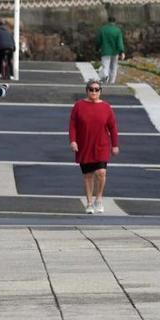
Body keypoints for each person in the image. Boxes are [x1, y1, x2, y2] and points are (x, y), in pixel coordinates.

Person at [68, 79, 119, 214]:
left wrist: (115, 145)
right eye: (91, 89)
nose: (94, 92)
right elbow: (72, 125)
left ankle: (99, 199)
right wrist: (73, 141)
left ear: (100, 91)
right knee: (88, 175)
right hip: (84, 145)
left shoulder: (106, 107)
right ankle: (89, 203)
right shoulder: (79, 106)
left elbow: (113, 127)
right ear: (87, 91)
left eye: (97, 89)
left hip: (101, 145)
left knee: (101, 172)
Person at [96, 16, 125, 84]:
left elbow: (98, 41)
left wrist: (97, 48)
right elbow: (120, 42)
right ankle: (112, 82)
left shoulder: (102, 29)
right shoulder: (117, 30)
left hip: (105, 51)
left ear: (108, 21)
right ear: (115, 22)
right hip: (115, 52)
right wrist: (122, 51)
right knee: (113, 67)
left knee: (105, 66)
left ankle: (106, 77)